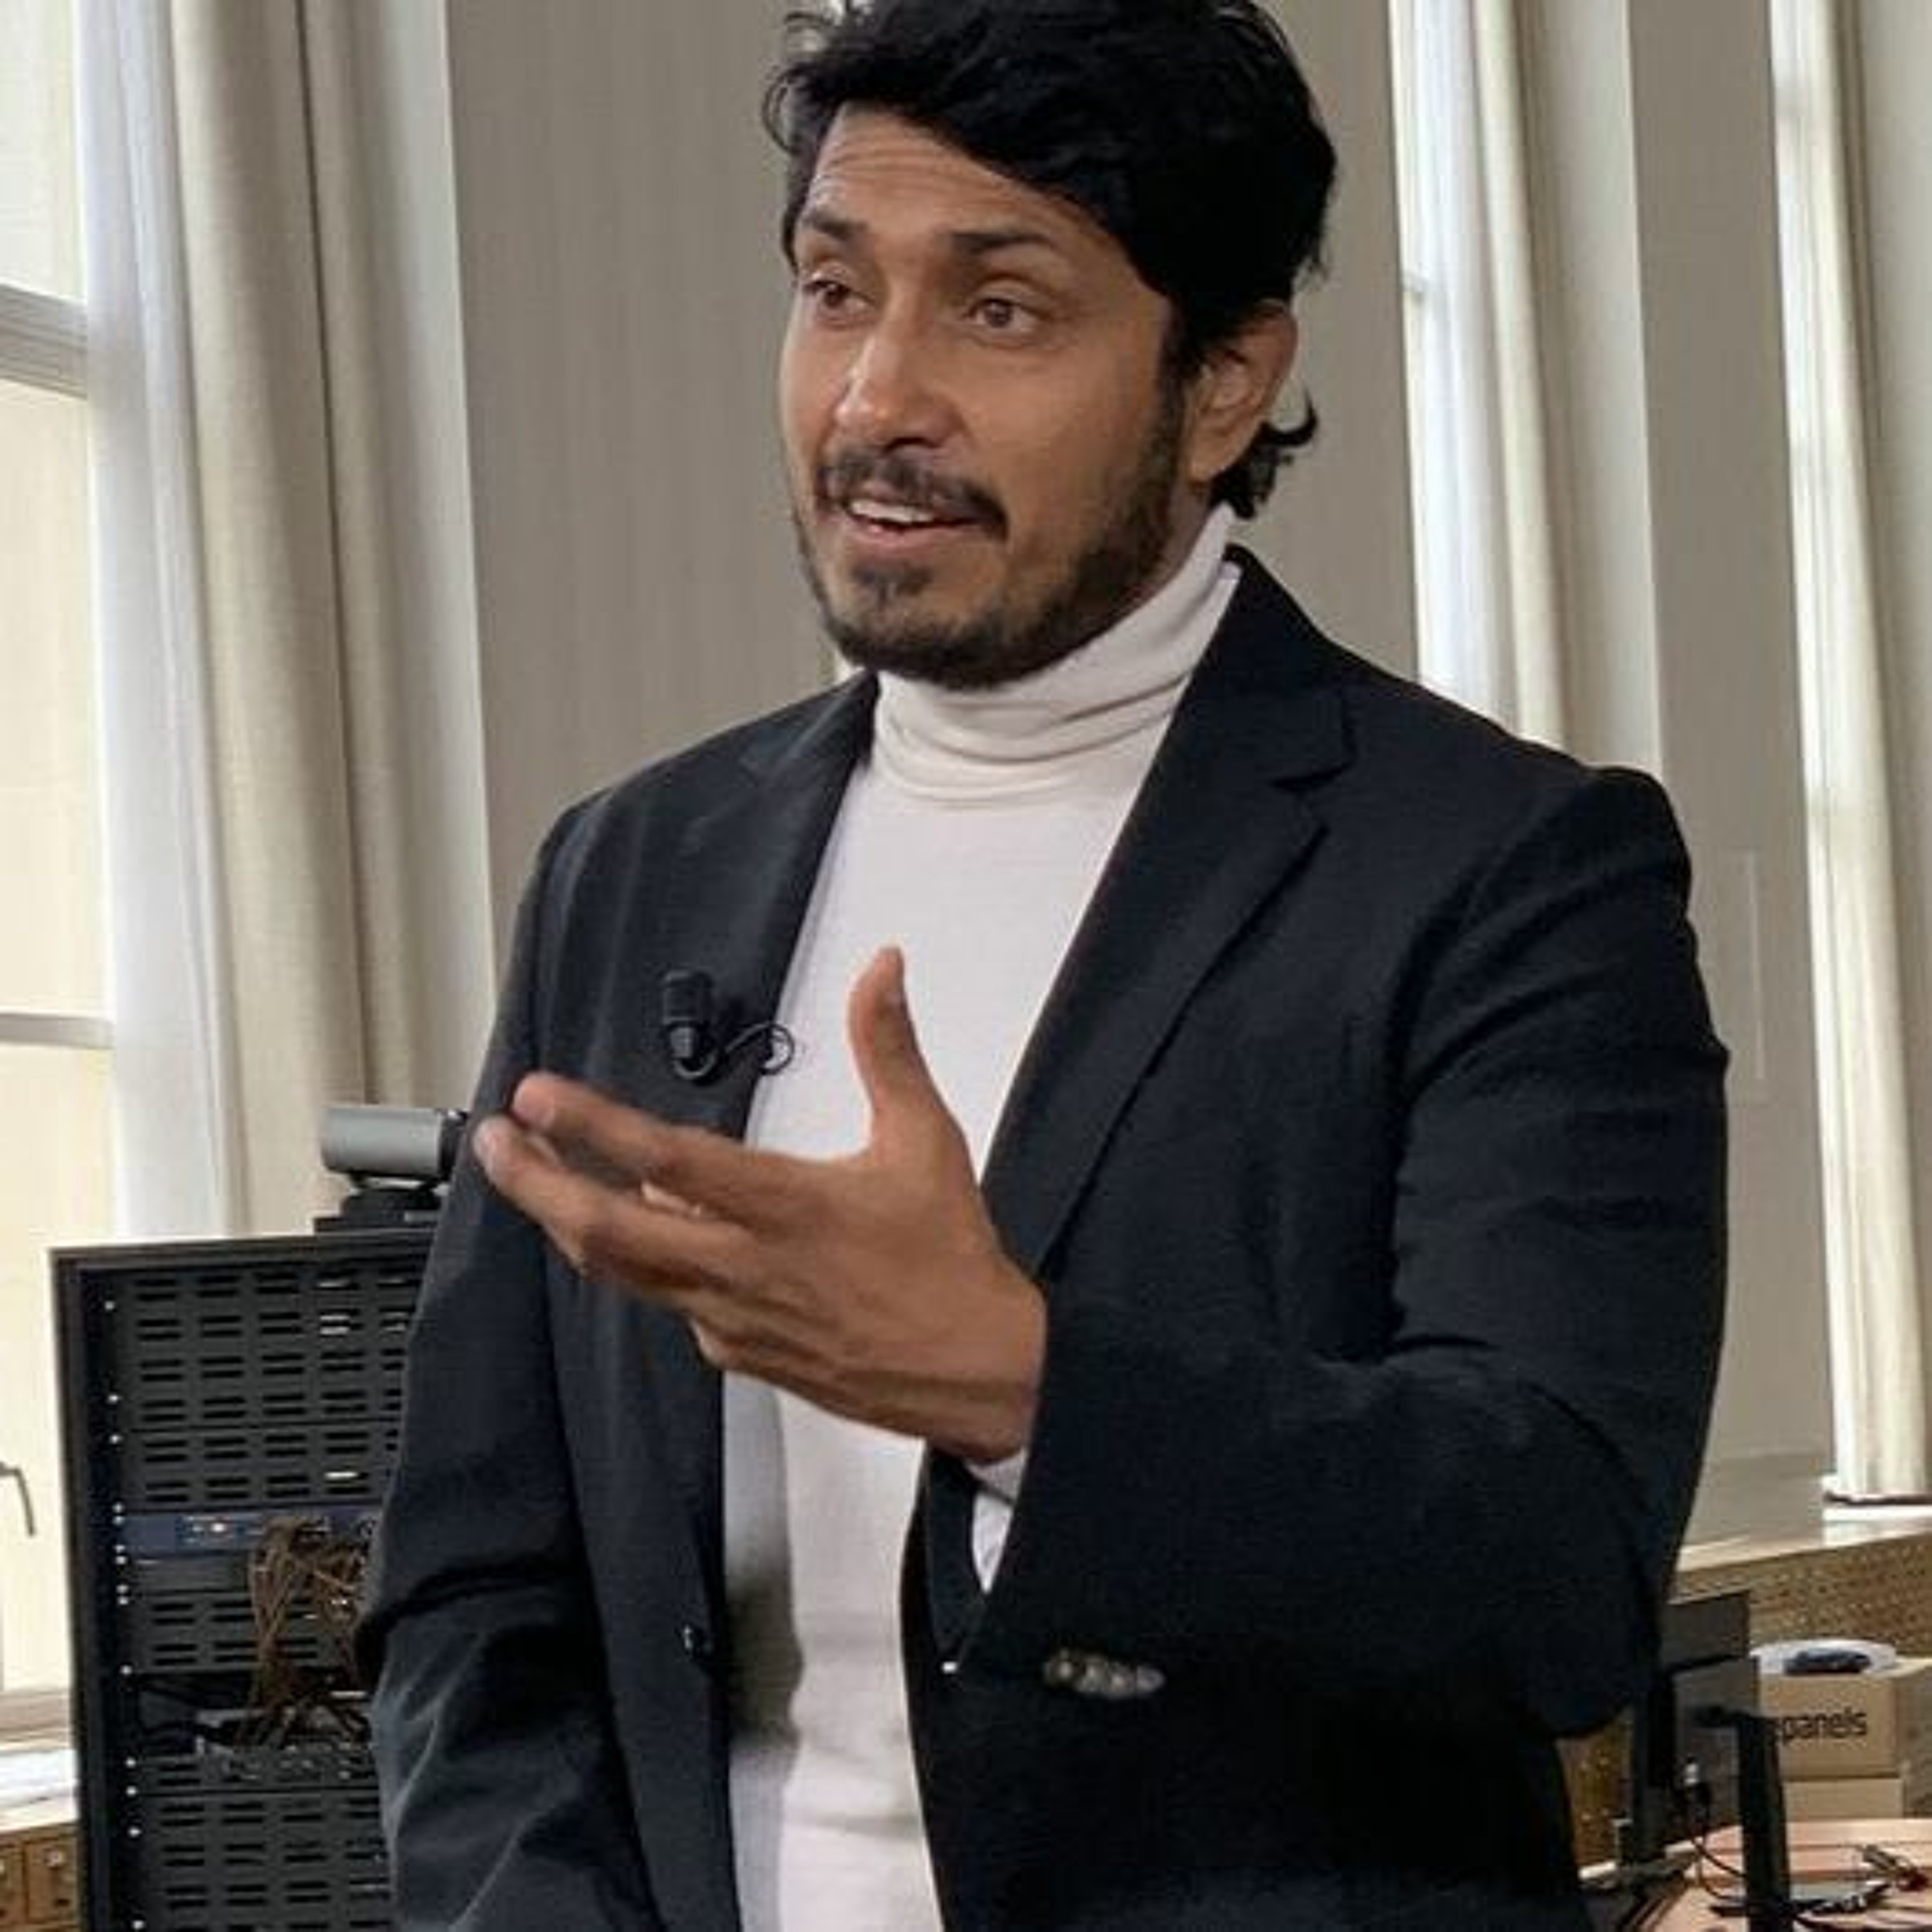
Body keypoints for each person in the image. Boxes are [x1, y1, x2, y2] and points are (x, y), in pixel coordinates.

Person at [360, 1, 1727, 1926]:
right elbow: (475, 1590)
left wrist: (1024, 1388)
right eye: (835, 291)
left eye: (1000, 309)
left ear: (1225, 382)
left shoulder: (1505, 870)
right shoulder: (634, 865)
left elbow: (1555, 1567)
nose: (875, 399)